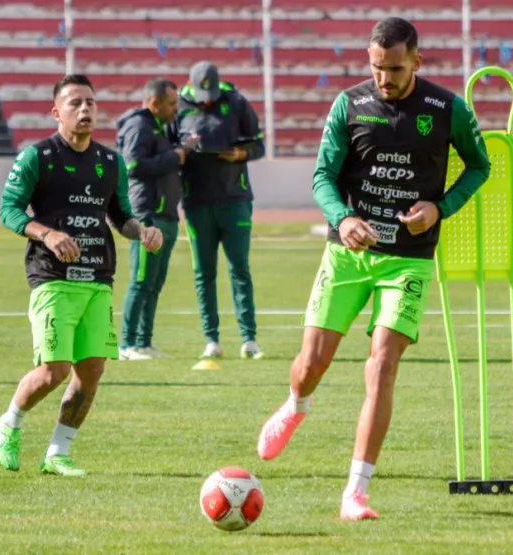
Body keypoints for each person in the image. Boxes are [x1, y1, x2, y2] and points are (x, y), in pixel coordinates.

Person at [255, 17, 491, 520]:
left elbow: (479, 166)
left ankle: (355, 492)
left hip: (409, 259)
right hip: (349, 254)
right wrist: (342, 219)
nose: (385, 78)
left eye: (395, 69)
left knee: (382, 367)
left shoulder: (448, 109)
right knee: (311, 363)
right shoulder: (349, 104)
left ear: (418, 62)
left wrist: (440, 208)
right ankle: (296, 403)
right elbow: (323, 176)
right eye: (377, 67)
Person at [0, 74, 163, 476]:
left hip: (98, 277)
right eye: (75, 103)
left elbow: (120, 216)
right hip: (51, 276)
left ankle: (57, 453)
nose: (85, 109)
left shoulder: (110, 162)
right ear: (56, 112)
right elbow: (10, 210)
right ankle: (10, 422)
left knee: (91, 371)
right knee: (54, 371)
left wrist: (142, 231)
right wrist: (47, 233)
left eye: (90, 102)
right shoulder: (39, 157)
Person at [173, 61, 265, 360]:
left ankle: (249, 339)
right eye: (203, 94)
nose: (208, 99)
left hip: (235, 199)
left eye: (211, 93)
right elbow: (167, 150)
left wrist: (239, 154)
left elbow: (258, 146)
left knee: (240, 269)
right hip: (197, 201)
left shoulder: (237, 101)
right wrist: (182, 154)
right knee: (204, 273)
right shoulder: (178, 106)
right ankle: (211, 339)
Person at [116, 77, 200, 361]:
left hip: (166, 216)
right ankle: (127, 345)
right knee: (140, 282)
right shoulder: (140, 125)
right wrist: (174, 157)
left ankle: (144, 342)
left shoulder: (158, 128)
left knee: (154, 283)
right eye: (171, 103)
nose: (175, 109)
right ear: (154, 103)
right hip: (147, 215)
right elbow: (133, 165)